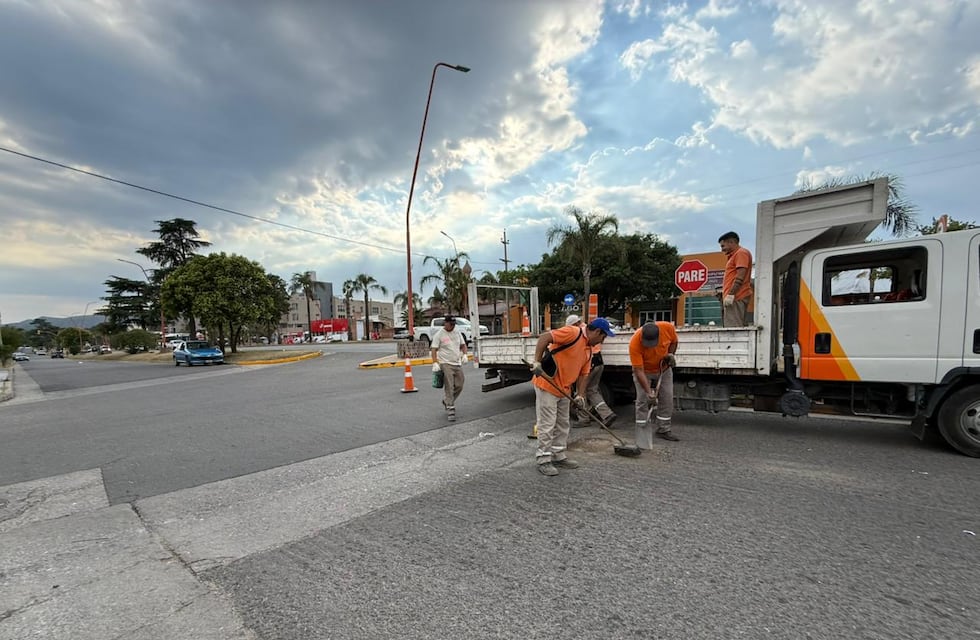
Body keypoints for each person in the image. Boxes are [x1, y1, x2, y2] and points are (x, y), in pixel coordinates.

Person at [528, 318, 615, 476]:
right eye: (603, 336)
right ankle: (543, 459)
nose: (603, 340)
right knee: (547, 424)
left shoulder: (589, 350)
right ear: (596, 332)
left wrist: (580, 395)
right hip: (548, 383)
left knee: (563, 423)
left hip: (564, 389)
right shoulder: (572, 332)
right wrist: (537, 362)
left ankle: (558, 455)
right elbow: (545, 338)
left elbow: (584, 374)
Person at [630, 321, 679, 447]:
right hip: (644, 371)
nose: (650, 346)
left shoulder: (667, 328)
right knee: (642, 400)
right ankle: (641, 429)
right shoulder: (635, 342)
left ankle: (663, 429)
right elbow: (639, 371)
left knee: (667, 397)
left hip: (664, 368)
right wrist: (648, 392)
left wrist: (670, 354)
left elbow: (674, 342)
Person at [430, 315, 468, 422]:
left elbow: (463, 345)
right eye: (450, 324)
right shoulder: (439, 334)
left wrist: (465, 354)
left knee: (460, 384)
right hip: (445, 363)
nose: (452, 326)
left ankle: (447, 401)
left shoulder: (457, 332)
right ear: (445, 323)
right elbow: (434, 349)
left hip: (457, 363)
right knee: (449, 386)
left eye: (453, 324)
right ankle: (451, 408)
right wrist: (435, 362)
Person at [718, 231, 753, 327]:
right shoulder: (735, 255)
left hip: (737, 297)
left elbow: (740, 276)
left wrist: (731, 294)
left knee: (733, 329)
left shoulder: (741, 253)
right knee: (732, 327)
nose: (722, 249)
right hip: (735, 297)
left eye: (723, 246)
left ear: (731, 242)